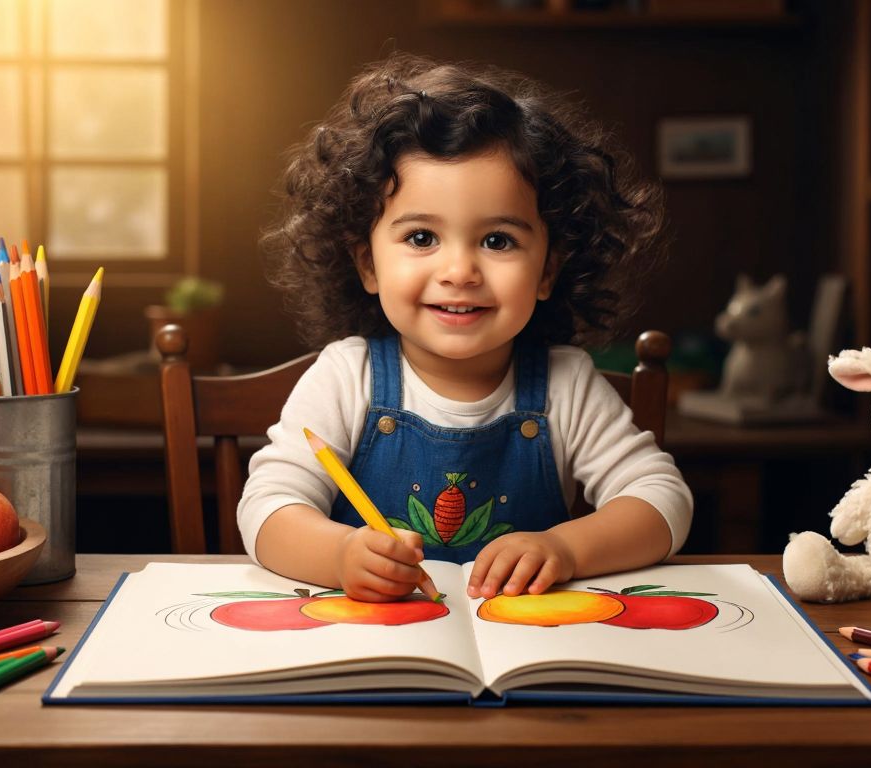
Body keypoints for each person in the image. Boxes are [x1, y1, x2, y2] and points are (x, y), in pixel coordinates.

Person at [240, 52, 692, 603]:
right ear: (367, 264)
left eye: (498, 240)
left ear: (547, 270)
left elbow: (663, 498)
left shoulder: (565, 384)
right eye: (422, 238)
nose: (459, 273)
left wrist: (567, 548)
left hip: (529, 651)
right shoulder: (345, 376)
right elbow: (266, 507)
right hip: (367, 651)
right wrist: (337, 555)